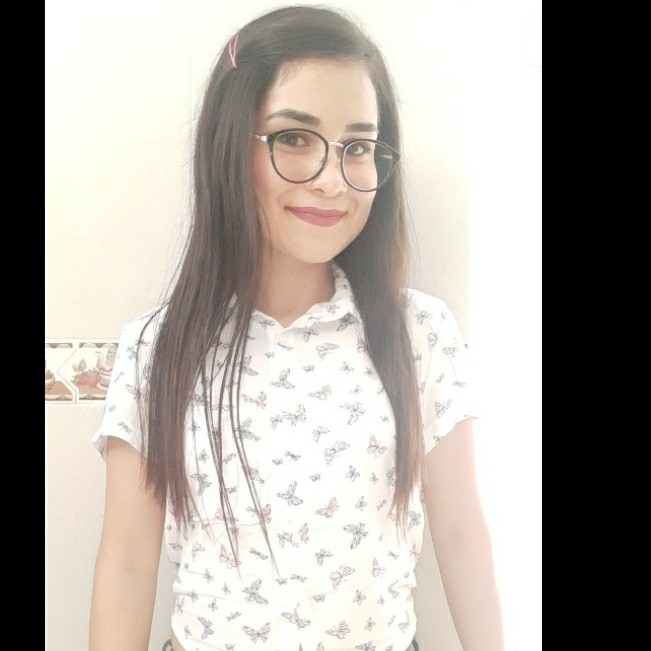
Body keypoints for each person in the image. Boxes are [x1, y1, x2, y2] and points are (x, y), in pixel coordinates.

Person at [88, 5, 504, 651]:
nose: (332, 180)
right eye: (293, 138)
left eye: (357, 147)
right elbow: (126, 564)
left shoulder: (417, 332)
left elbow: (460, 534)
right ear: (231, 146)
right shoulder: (159, 348)